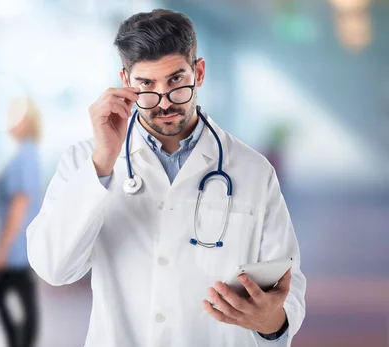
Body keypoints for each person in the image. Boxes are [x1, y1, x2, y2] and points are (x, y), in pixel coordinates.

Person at [27, 9, 306, 347]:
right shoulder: (84, 161)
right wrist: (102, 162)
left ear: (198, 72)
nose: (165, 103)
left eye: (176, 81)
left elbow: (286, 286)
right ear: (126, 81)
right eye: (147, 85)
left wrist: (271, 322)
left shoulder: (252, 169)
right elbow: (54, 269)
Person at [0, 97, 42, 347]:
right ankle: (21, 341)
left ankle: (19, 341)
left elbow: (20, 202)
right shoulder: (25, 153)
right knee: (21, 295)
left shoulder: (25, 154)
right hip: (22, 240)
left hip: (17, 242)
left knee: (4, 294)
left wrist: (3, 248)